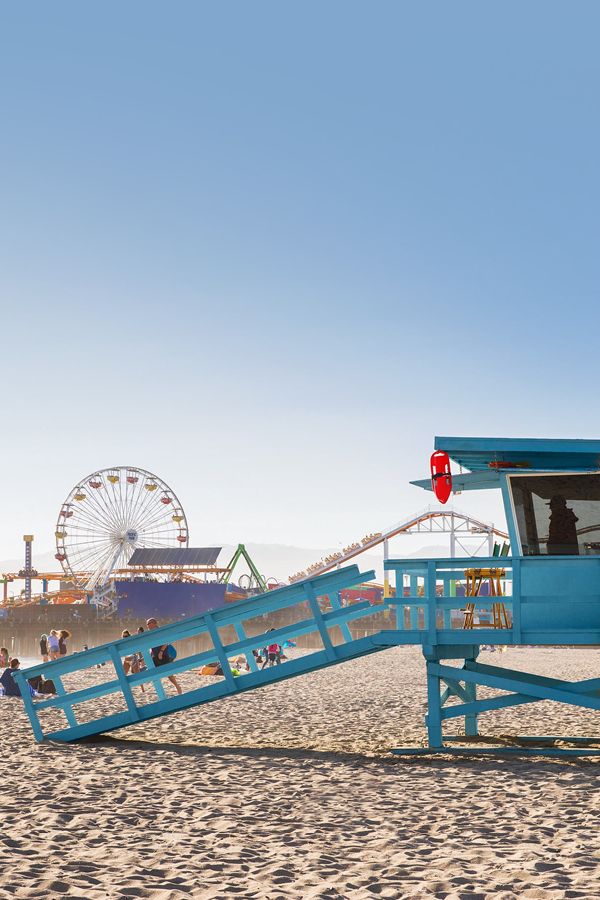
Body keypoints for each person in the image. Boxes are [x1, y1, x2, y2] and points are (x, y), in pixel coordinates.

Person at [146, 618, 182, 695]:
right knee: (152, 672)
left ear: (155, 623)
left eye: (149, 623)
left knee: (168, 674)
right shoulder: (149, 634)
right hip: (155, 656)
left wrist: (161, 652)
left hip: (163, 655)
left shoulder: (160, 631)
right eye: (147, 624)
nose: (147, 625)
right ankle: (159, 691)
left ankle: (177, 686)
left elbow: (166, 642)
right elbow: (150, 647)